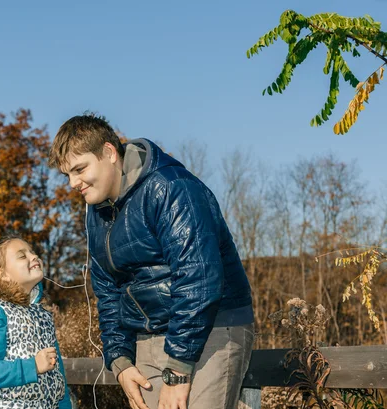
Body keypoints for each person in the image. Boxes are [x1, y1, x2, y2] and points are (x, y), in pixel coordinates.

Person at [48, 114, 255, 409]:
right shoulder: (95, 213)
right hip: (148, 336)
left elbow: (198, 278)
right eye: (66, 175)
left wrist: (178, 373)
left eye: (79, 169)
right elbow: (107, 291)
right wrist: (120, 360)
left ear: (108, 153)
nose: (72, 183)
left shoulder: (172, 188)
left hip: (212, 328)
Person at [0, 236, 72, 409]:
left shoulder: (43, 316)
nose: (33, 257)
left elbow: (57, 375)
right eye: (22, 255)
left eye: (32, 252)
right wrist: (32, 366)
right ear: (1, 274)